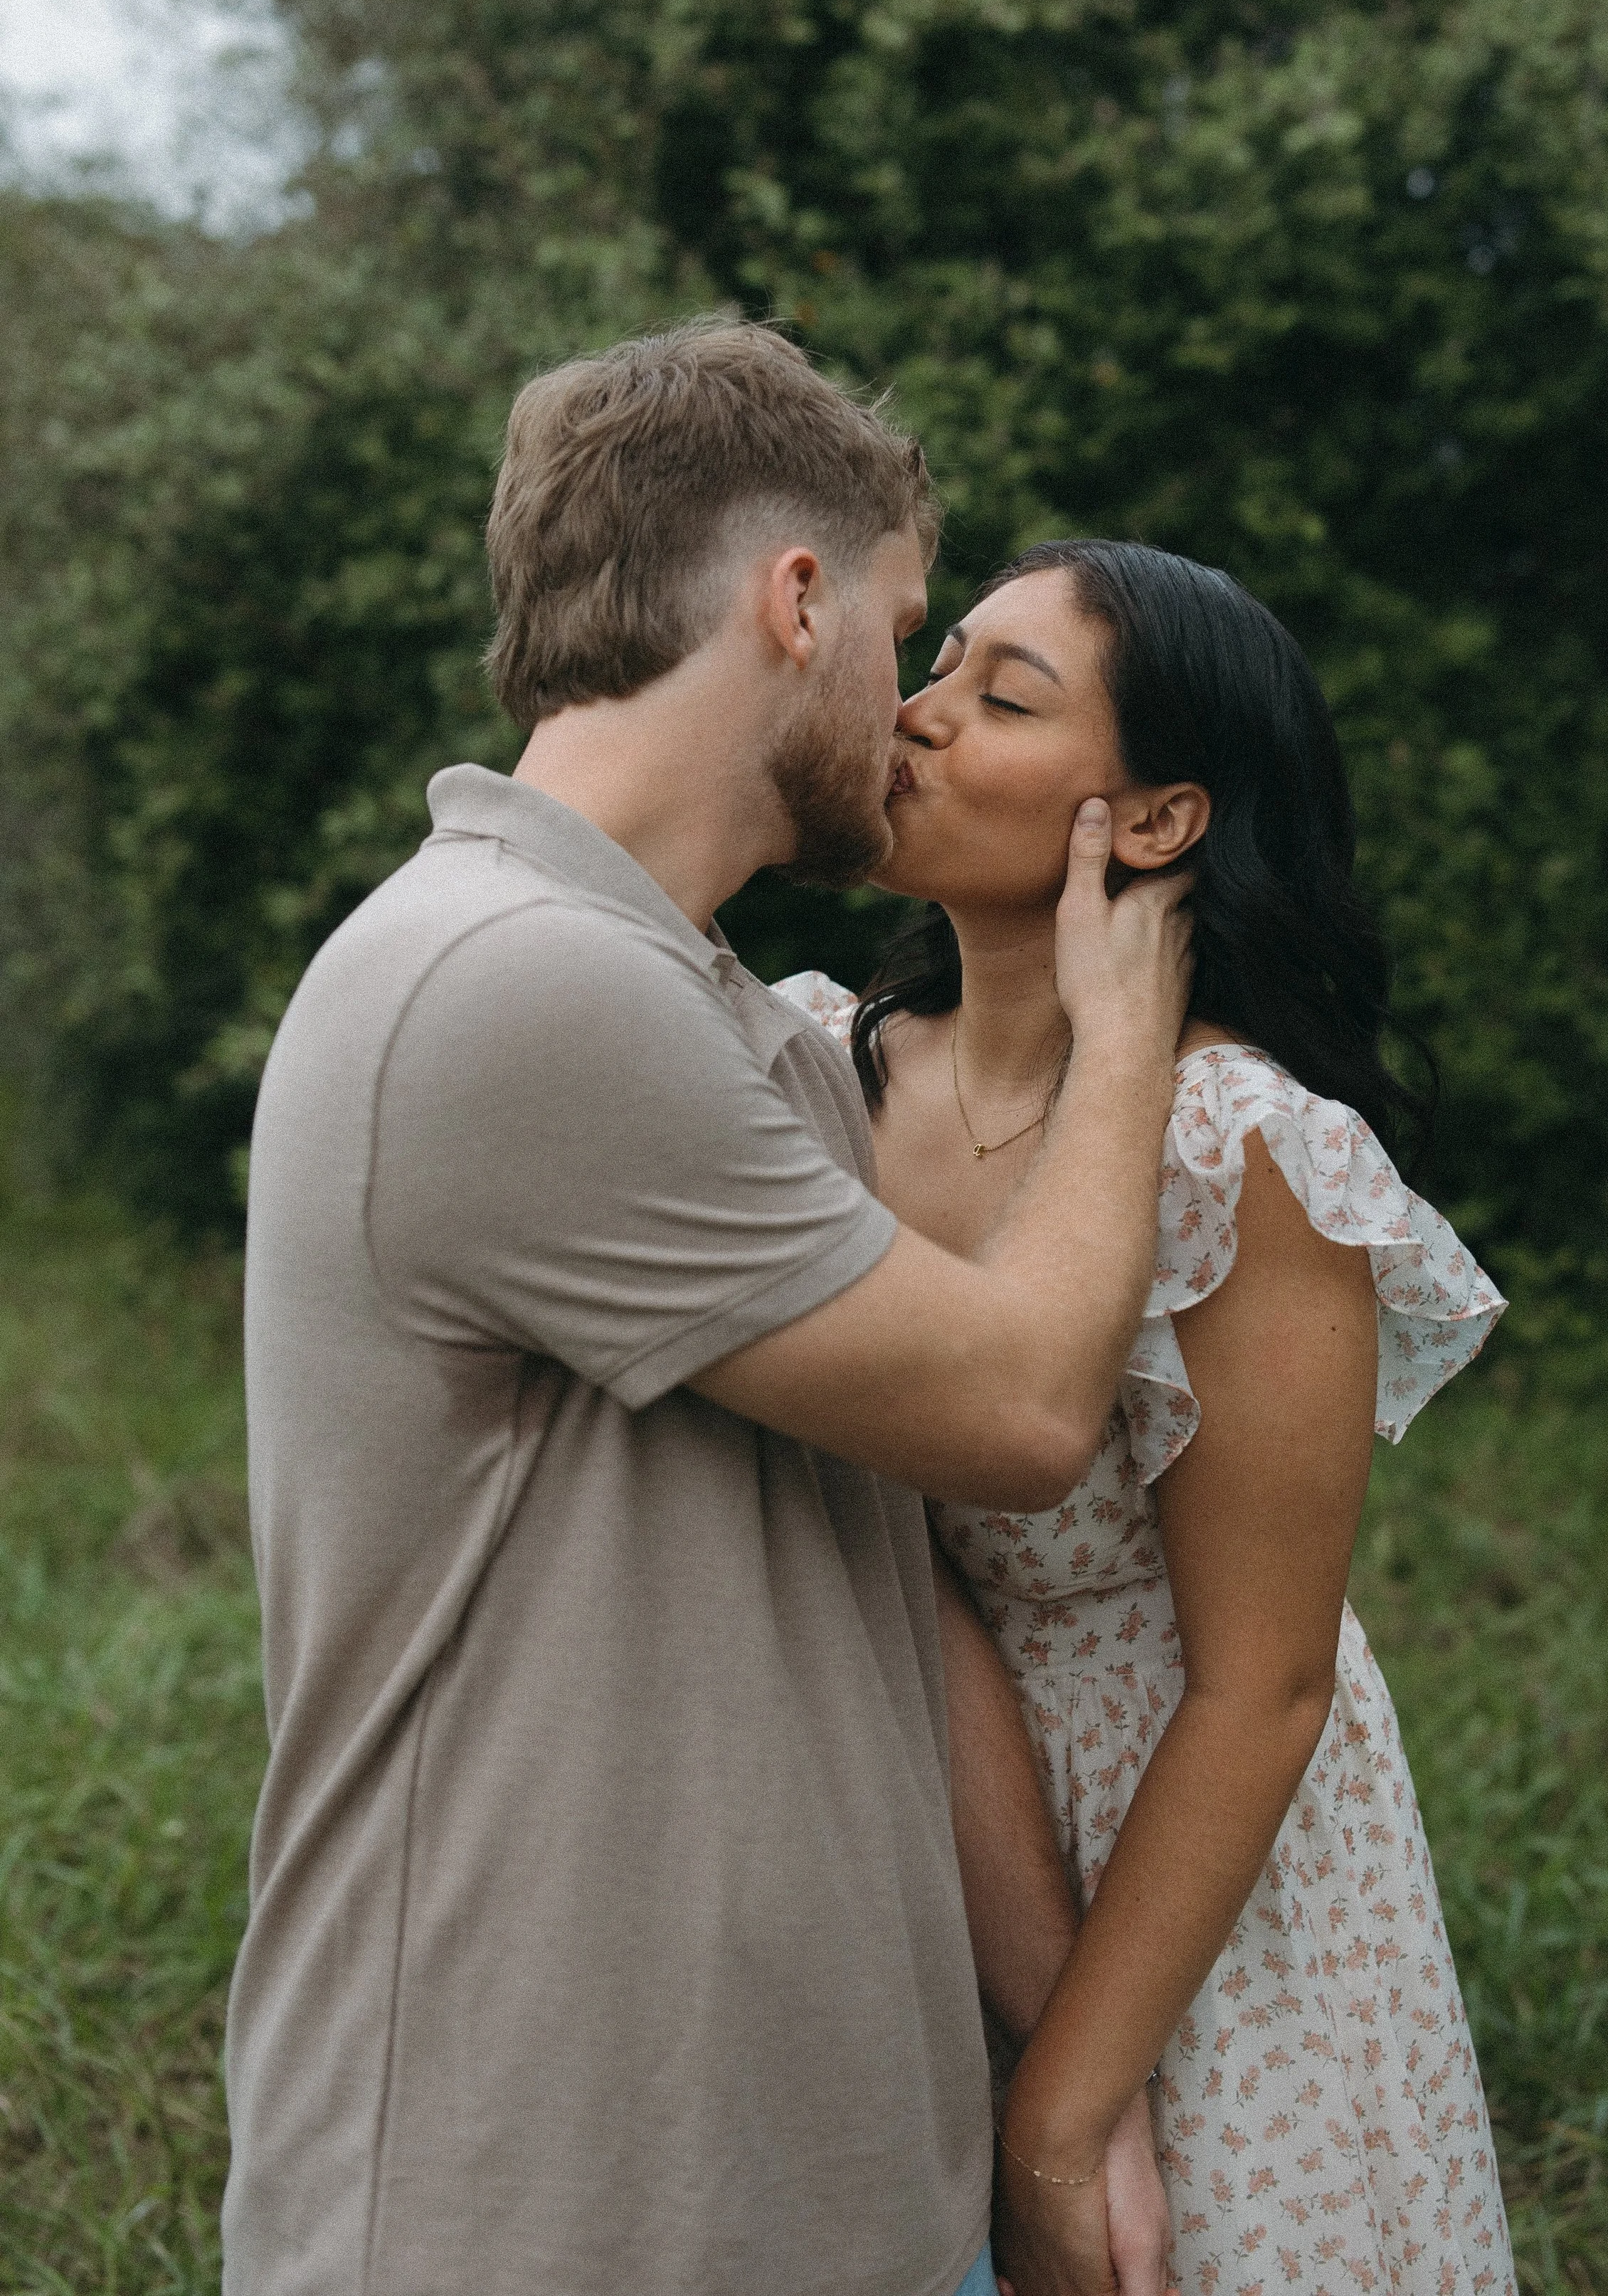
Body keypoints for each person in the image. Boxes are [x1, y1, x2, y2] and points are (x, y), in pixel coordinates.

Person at [220, 322, 1193, 2296]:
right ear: (796, 596)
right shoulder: (505, 982)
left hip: (803, 2194)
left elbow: (885, 1596)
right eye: (907, 628)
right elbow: (1020, 1410)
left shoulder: (727, 1019)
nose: (911, 705)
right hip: (538, 2205)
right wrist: (1126, 1038)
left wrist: (1067, 2107)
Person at [781, 539, 1515, 2296]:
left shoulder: (1239, 1150)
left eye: (998, 696)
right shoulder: (818, 1069)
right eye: (935, 663)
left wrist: (1061, 2115)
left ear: (1161, 822)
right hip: (891, 1804)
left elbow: (1259, 1682)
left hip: (1194, 1866)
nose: (914, 715)